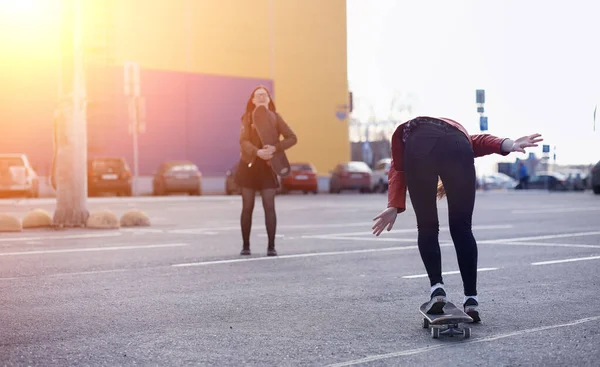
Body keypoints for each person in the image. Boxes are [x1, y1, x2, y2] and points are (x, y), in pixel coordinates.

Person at [371, 116, 542, 322]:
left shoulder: (415, 133)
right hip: (458, 146)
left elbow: (398, 169)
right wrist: (509, 144)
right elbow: (480, 141)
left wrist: (394, 206)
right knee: (462, 229)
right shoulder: (456, 133)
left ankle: (437, 290)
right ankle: (471, 300)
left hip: (419, 146)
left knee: (427, 226)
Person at [235, 86, 297, 256]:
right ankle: (245, 246)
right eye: (258, 95)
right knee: (247, 206)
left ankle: (271, 247)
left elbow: (292, 138)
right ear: (253, 100)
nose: (262, 97)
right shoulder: (247, 118)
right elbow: (243, 141)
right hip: (249, 166)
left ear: (269, 99)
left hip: (269, 167)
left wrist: (275, 148)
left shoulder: (276, 117)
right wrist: (257, 152)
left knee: (269, 206)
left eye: (265, 95)